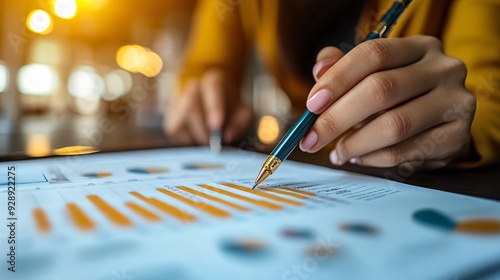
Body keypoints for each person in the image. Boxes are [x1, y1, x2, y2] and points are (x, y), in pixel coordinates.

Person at [164, 0, 500, 169]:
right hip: (316, 167)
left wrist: (456, 130)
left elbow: (488, 99)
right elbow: (207, 59)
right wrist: (204, 85)